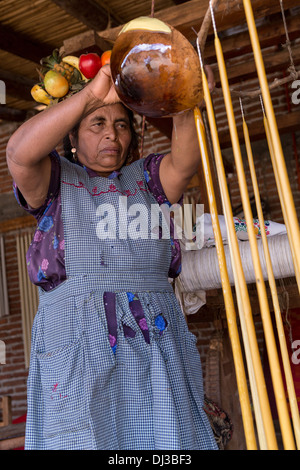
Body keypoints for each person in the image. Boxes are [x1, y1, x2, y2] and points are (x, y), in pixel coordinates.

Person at [6, 64, 218, 450]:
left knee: (165, 442)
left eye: (121, 125)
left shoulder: (147, 179)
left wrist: (181, 97)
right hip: (76, 337)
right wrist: (90, 94)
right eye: (97, 123)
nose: (112, 134)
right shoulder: (55, 181)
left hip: (153, 333)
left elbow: (186, 162)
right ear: (72, 138)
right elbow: (19, 154)